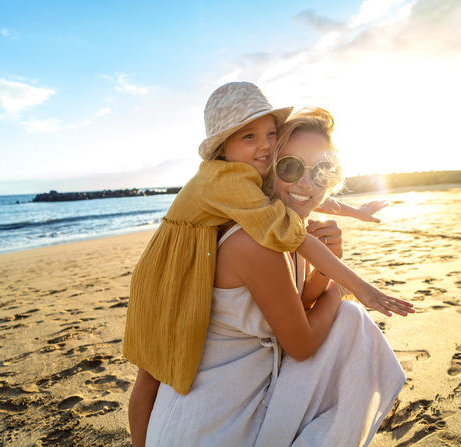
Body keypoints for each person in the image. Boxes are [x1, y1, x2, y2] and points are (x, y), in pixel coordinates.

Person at [124, 83, 413, 445]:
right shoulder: (254, 233)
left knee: (344, 319)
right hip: (204, 422)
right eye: (289, 167)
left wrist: (332, 256)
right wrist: (349, 287)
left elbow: (299, 300)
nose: (307, 183)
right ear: (265, 168)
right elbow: (302, 343)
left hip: (236, 400)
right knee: (350, 319)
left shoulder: (271, 217)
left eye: (323, 171)